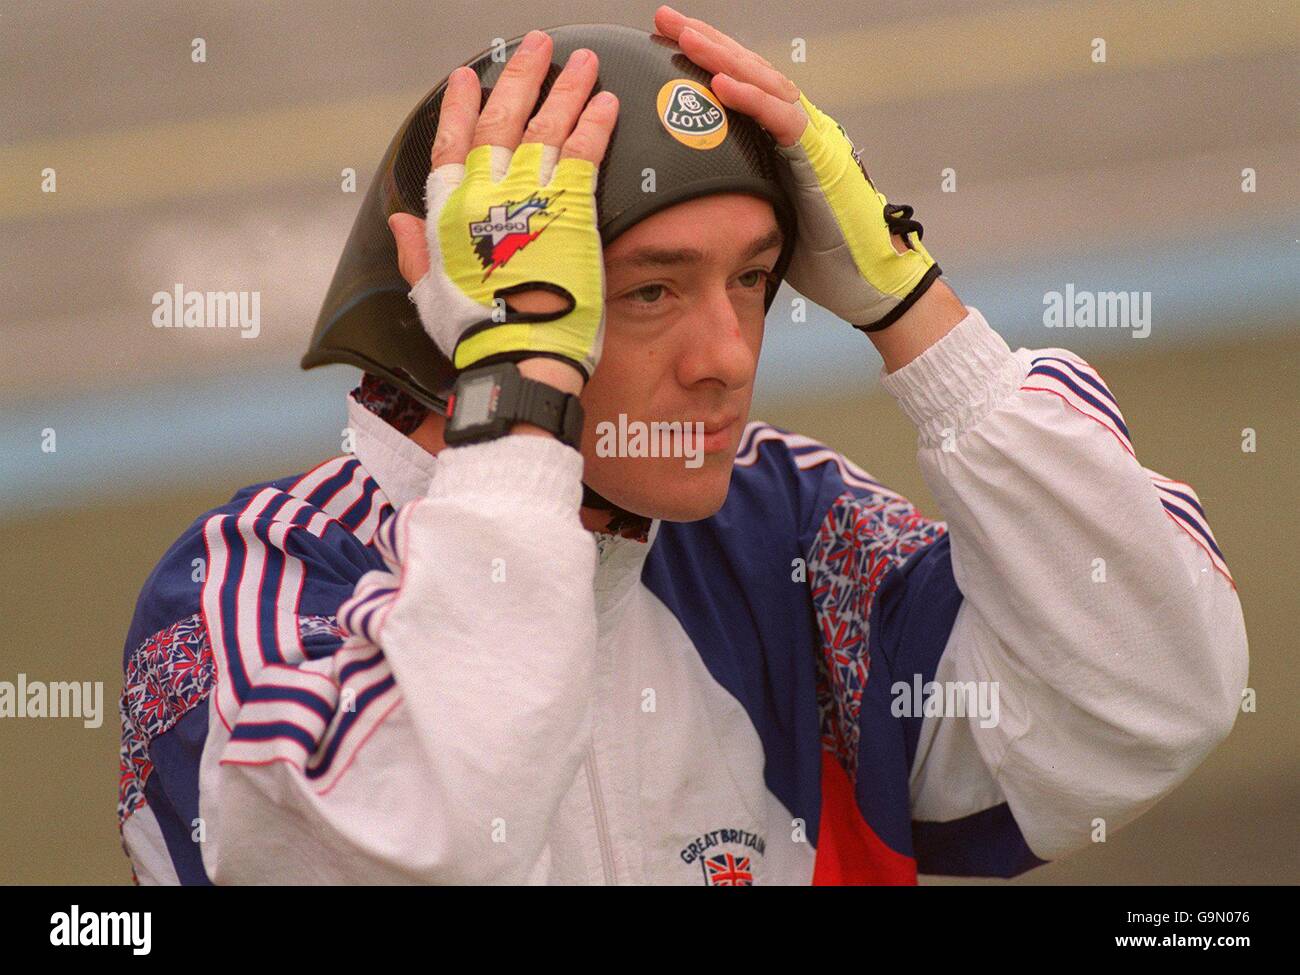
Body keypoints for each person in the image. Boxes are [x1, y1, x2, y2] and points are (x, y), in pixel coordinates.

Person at [118, 10, 1247, 885]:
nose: (726, 356)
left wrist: (914, 309)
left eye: (754, 279)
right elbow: (431, 842)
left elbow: (1146, 702)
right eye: (651, 290)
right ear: (451, 310)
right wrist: (517, 398)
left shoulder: (782, 528)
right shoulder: (253, 587)